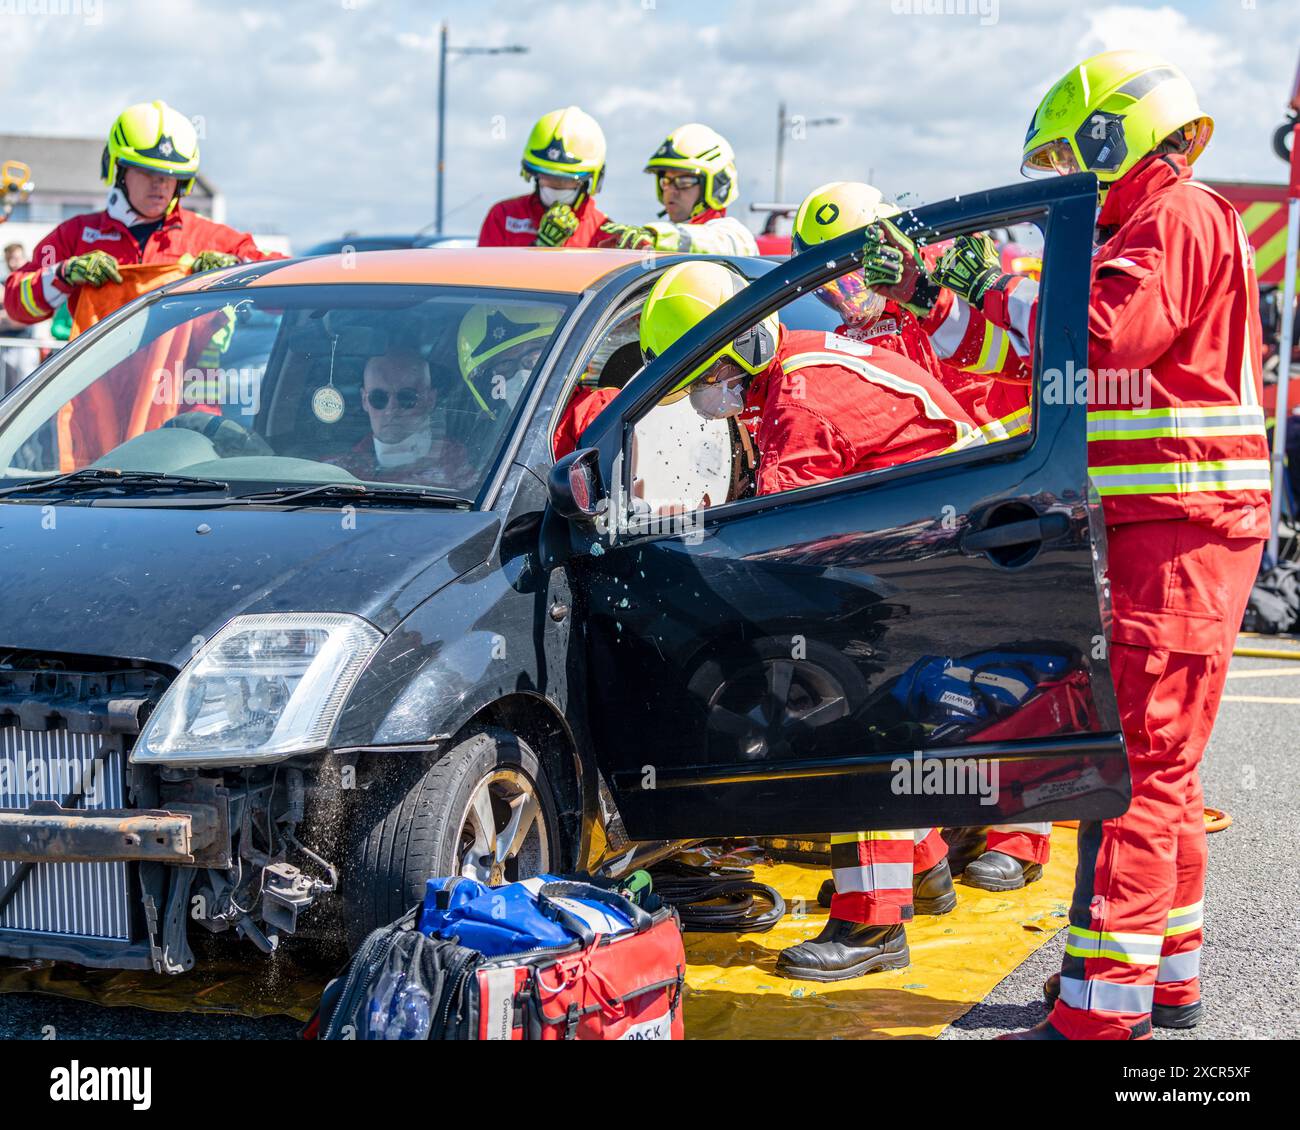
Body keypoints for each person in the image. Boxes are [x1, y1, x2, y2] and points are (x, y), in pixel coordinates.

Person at [886, 50, 1267, 1039]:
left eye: (1068, 156)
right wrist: (942, 302)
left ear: (1112, 135)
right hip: (1167, 534)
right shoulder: (1140, 226)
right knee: (1164, 771)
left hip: (1176, 537)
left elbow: (1095, 343)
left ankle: (1098, 1017)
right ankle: (1165, 983)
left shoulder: (1171, 217)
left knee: (1133, 771)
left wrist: (997, 284)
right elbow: (1035, 373)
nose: (1065, 181)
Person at [639, 260, 978, 979]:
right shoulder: (786, 374)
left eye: (703, 378)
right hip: (928, 527)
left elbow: (776, 542)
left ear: (742, 353)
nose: (700, 398)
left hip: (934, 541)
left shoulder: (800, 402)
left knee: (851, 712)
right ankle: (922, 869)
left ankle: (872, 928)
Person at [2, 100, 282, 330]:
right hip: (98, 397)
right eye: (148, 172)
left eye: (171, 176)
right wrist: (63, 274)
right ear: (118, 170)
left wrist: (236, 269)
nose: (160, 183)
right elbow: (17, 302)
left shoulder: (208, 238)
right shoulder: (75, 235)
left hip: (186, 396)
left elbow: (286, 279)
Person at [598, 124, 759, 255]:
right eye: (666, 181)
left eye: (684, 181)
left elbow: (713, 244)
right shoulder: (663, 245)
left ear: (716, 185)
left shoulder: (735, 237)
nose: (671, 190)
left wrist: (657, 238)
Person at [328, 349, 473, 488]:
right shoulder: (338, 472)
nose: (391, 410)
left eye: (406, 397)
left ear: (430, 400)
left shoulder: (458, 466)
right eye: (378, 398)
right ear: (364, 401)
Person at [478, 107, 613, 249]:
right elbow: (484, 269)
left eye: (566, 179)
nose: (555, 184)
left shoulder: (603, 231)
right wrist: (538, 248)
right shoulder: (504, 216)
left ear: (590, 180)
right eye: (547, 176)